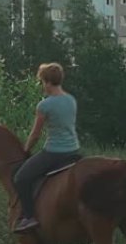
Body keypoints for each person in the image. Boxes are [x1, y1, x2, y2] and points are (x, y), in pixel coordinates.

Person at [13, 62, 81, 233]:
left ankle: (29, 217)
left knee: (21, 177)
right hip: (74, 151)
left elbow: (35, 135)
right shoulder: (71, 100)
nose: (42, 85)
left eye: (42, 82)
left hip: (55, 152)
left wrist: (26, 150)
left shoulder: (44, 105)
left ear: (48, 82)